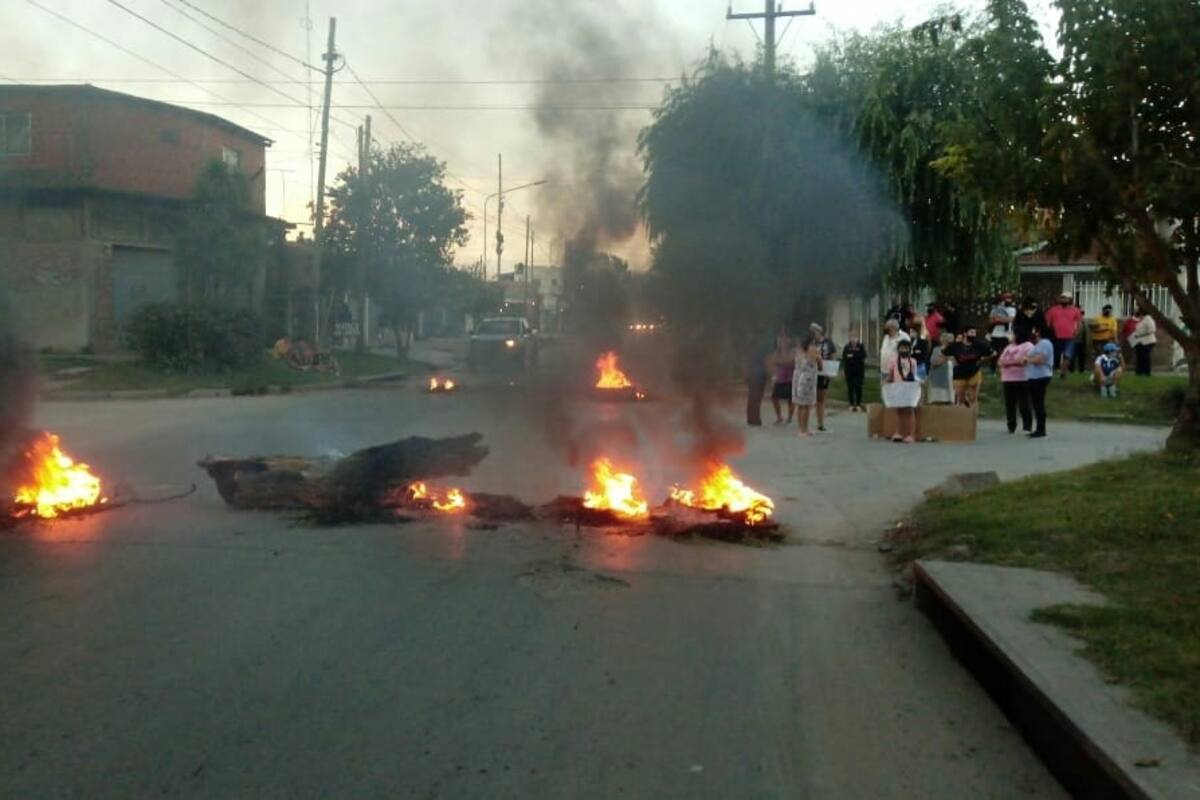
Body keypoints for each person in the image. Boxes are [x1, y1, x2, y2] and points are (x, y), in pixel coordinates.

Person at [883, 338, 920, 443]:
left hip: (909, 388)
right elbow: (890, 375)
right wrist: (887, 382)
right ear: (898, 349)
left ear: (909, 349)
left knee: (910, 411)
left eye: (906, 348)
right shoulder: (893, 360)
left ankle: (911, 435)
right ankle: (898, 433)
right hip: (897, 388)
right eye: (902, 348)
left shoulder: (913, 361)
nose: (904, 350)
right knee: (898, 411)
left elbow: (915, 375)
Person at [945, 326, 991, 408]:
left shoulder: (978, 345)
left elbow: (991, 353)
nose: (974, 335)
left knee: (973, 397)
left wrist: (981, 359)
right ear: (965, 334)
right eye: (972, 332)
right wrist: (952, 359)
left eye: (975, 333)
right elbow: (945, 354)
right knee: (960, 396)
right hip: (959, 373)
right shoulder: (955, 347)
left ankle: (973, 417)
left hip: (974, 372)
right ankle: (964, 408)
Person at [998, 333, 1034, 434]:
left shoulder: (1028, 345)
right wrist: (1012, 362)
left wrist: (1009, 362)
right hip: (1007, 379)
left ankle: (1027, 426)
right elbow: (1001, 361)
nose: (1010, 336)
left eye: (1012, 334)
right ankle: (1011, 426)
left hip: (1022, 379)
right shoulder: (1008, 347)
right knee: (1010, 404)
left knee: (1024, 403)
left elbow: (1025, 361)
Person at [1044, 291, 1084, 379]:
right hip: (1055, 337)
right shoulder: (1053, 310)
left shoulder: (1075, 310)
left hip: (1070, 337)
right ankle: (1050, 372)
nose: (1063, 299)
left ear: (1070, 299)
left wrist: (1076, 333)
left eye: (1065, 298)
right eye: (1062, 297)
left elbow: (1080, 323)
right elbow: (1047, 323)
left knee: (1068, 355)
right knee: (1054, 355)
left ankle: (1063, 372)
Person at [1025, 324, 1054, 438]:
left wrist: (1027, 359)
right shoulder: (1039, 344)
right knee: (1036, 404)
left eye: (1035, 330)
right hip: (1034, 377)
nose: (1033, 332)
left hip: (1040, 377)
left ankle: (1041, 430)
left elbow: (1039, 360)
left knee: (1038, 404)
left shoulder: (1045, 343)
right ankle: (1039, 429)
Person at [810, 323, 837, 432]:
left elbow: (833, 355)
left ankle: (820, 423)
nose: (814, 333)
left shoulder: (828, 342)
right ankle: (807, 421)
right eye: (812, 331)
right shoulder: (810, 343)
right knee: (810, 398)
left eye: (815, 331)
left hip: (823, 373)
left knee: (821, 399)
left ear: (820, 331)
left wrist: (831, 370)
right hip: (811, 372)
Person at [792, 338, 820, 437]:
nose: (814, 346)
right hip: (804, 383)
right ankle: (802, 430)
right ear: (807, 346)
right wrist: (817, 355)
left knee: (804, 406)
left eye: (814, 344)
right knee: (804, 406)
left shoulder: (801, 354)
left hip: (804, 382)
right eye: (812, 344)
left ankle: (804, 428)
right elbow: (818, 362)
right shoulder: (808, 355)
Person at [745, 336, 775, 426]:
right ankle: (756, 419)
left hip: (751, 375)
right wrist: (770, 375)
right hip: (759, 375)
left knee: (751, 398)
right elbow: (767, 362)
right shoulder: (762, 350)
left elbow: (746, 363)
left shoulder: (749, 351)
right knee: (757, 398)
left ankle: (750, 418)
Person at [769, 334, 796, 425]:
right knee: (774, 398)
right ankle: (779, 417)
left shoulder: (792, 351)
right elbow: (773, 361)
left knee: (790, 399)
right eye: (779, 341)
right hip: (779, 379)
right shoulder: (776, 352)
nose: (780, 343)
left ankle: (789, 417)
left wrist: (781, 362)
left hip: (790, 379)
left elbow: (791, 362)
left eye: (782, 341)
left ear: (788, 342)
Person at [988, 293, 1017, 373]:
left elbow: (1011, 319)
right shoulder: (995, 309)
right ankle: (992, 370)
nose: (1008, 300)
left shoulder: (1012, 310)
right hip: (995, 334)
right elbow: (990, 321)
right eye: (1006, 298)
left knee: (1008, 352)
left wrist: (999, 319)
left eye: (1010, 298)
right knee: (994, 353)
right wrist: (998, 319)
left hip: (1007, 335)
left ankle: (1008, 369)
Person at [842, 331, 868, 412]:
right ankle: (851, 404)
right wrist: (853, 356)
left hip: (859, 371)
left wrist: (852, 356)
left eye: (855, 337)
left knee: (858, 388)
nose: (853, 339)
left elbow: (863, 356)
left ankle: (858, 404)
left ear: (857, 338)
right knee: (850, 388)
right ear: (850, 338)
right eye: (852, 337)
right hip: (849, 371)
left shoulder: (861, 346)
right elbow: (844, 357)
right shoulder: (847, 347)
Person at [927, 332, 955, 404]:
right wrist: (945, 358)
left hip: (950, 377)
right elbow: (933, 363)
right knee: (938, 399)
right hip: (938, 378)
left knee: (949, 399)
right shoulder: (937, 350)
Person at [1129, 308, 1157, 376]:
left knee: (1145, 357)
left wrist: (1140, 335)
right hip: (1140, 341)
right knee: (1140, 357)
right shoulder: (1142, 319)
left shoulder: (1148, 319)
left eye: (1137, 311)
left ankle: (1146, 372)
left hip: (1147, 341)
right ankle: (1139, 372)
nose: (1136, 313)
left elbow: (1152, 330)